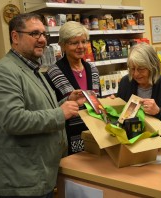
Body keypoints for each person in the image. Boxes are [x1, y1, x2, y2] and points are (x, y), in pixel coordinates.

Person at [0, 13, 85, 198]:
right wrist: (60, 113)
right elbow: (13, 120)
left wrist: (67, 102)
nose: (42, 40)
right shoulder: (3, 72)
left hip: (37, 176)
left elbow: (38, 109)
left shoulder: (33, 69)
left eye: (44, 34)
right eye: (35, 34)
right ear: (15, 37)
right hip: (20, 183)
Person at [45, 21, 100, 155]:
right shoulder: (53, 73)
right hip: (66, 139)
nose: (81, 46)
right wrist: (69, 101)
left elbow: (98, 101)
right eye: (74, 43)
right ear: (62, 45)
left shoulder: (92, 69)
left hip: (94, 135)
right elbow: (48, 109)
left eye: (83, 41)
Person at [115, 43, 161, 147]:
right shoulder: (126, 83)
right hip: (131, 146)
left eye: (141, 69)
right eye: (132, 69)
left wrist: (158, 112)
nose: (136, 74)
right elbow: (118, 119)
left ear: (153, 67)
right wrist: (113, 105)